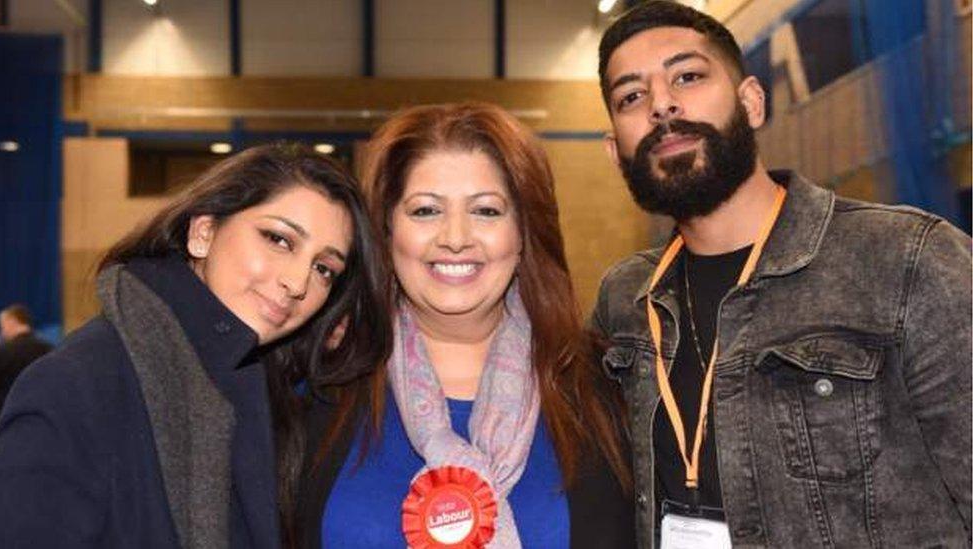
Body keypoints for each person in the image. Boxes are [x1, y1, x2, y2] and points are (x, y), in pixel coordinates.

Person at [592, 2, 972, 548]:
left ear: (751, 102)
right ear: (614, 150)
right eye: (631, 96)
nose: (662, 105)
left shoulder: (907, 262)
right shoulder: (624, 299)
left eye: (688, 76)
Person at [0, 143, 392, 548]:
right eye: (278, 239)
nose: (298, 282)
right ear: (203, 233)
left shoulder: (264, 393)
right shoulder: (78, 385)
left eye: (324, 268)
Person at [294, 102, 634, 549]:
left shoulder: (604, 390)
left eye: (487, 211)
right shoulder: (318, 384)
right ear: (386, 231)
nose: (455, 238)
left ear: (524, 234)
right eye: (425, 211)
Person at [0, 304, 53, 416]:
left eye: (2, 326)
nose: (1, 332)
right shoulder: (49, 349)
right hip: (42, 414)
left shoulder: (3, 351)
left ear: (12, 321)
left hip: (6, 416)